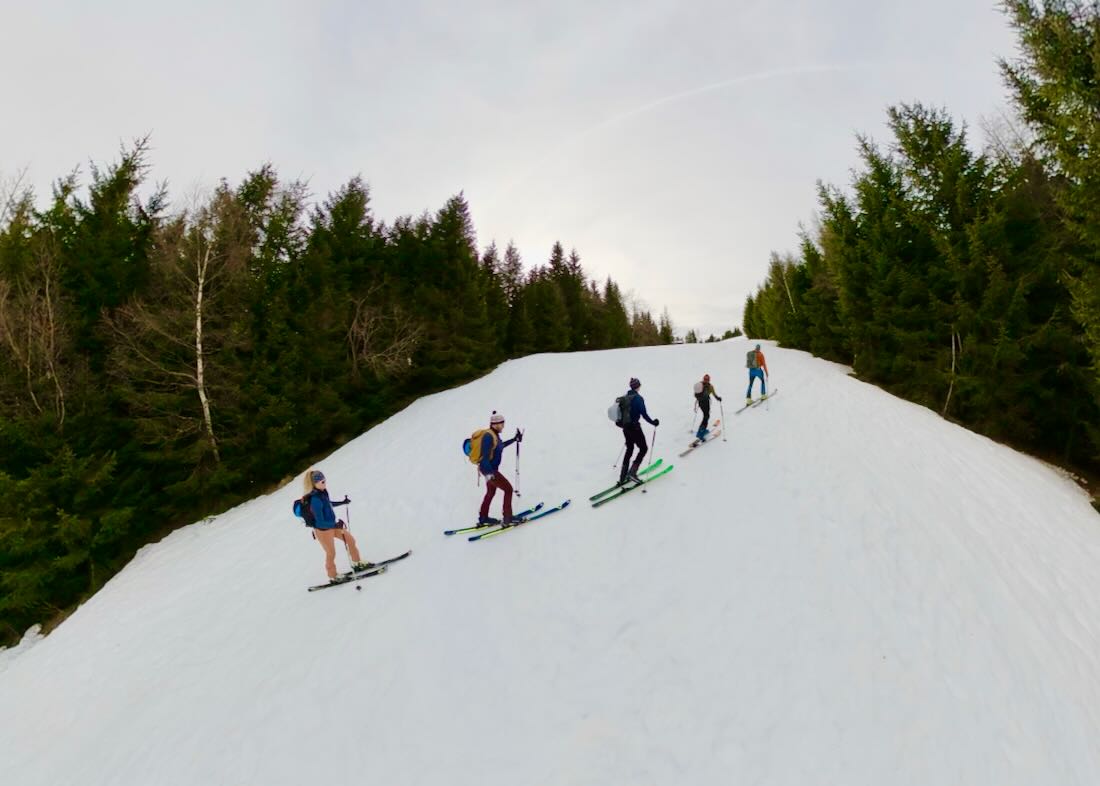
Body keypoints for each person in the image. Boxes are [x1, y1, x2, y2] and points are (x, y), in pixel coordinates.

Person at [303, 469, 372, 583]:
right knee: (331, 553)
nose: (324, 483)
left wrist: (342, 502)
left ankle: (357, 563)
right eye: (322, 482)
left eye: (325, 480)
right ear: (314, 484)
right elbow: (319, 522)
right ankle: (333, 576)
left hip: (333, 526)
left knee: (350, 540)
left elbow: (328, 504)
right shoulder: (315, 500)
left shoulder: (323, 492)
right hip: (323, 531)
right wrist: (335, 525)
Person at [477, 411, 524, 526]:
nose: (503, 426)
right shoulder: (488, 436)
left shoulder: (494, 435)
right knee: (508, 489)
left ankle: (483, 517)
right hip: (490, 470)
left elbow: (500, 446)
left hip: (489, 470)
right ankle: (508, 517)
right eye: (502, 424)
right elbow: (484, 457)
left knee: (491, 492)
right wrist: (489, 474)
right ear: (495, 424)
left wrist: (514, 439)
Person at [618, 377, 660, 485]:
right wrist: (653, 422)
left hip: (625, 427)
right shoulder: (638, 398)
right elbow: (644, 414)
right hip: (634, 427)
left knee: (629, 448)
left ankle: (622, 476)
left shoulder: (625, 397)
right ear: (638, 386)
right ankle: (632, 472)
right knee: (643, 448)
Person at [693, 373, 722, 440]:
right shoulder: (710, 386)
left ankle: (701, 429)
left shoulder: (700, 385)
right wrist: (718, 398)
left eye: (706, 379)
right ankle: (701, 432)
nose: (706, 380)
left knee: (705, 415)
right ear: (709, 380)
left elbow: (696, 394)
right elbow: (714, 395)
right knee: (706, 416)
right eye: (706, 379)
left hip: (700, 403)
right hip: (706, 403)